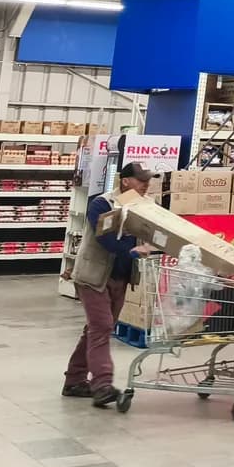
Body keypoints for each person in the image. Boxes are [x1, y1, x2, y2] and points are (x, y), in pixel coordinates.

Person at [65, 161, 158, 407]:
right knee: (103, 326)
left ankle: (74, 380)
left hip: (121, 278)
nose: (146, 185)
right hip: (94, 277)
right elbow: (105, 239)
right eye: (141, 180)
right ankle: (102, 384)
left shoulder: (143, 206)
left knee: (96, 329)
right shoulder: (101, 204)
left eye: (148, 180)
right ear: (125, 181)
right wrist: (133, 250)